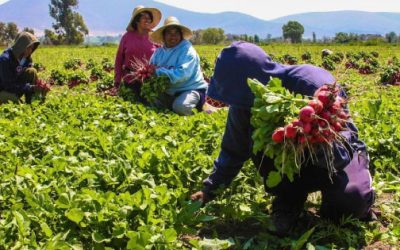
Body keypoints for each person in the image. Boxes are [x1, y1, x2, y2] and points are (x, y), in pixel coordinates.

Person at [190, 41, 375, 235]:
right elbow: (233, 150)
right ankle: (288, 198)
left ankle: (362, 193)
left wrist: (316, 141)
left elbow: (344, 147)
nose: (236, 105)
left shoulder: (312, 84)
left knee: (348, 205)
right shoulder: (244, 103)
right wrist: (209, 190)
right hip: (292, 167)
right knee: (263, 143)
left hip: (340, 156)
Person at [149, 16, 208, 116]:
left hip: (190, 89)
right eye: (169, 33)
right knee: (149, 99)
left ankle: (201, 110)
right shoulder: (158, 52)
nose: (173, 36)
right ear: (163, 36)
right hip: (169, 91)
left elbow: (183, 74)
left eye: (176, 32)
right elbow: (151, 67)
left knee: (181, 107)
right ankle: (172, 108)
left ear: (181, 35)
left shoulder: (187, 51)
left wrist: (158, 72)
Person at [113, 5, 162, 95]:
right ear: (137, 20)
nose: (147, 20)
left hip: (151, 81)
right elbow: (119, 60)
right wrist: (117, 82)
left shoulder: (155, 37)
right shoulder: (127, 37)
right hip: (130, 80)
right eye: (144, 17)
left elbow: (163, 58)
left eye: (149, 18)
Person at [0, 31, 42, 104]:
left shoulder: (26, 59)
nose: (30, 51)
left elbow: (26, 76)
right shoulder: (5, 59)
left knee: (32, 71)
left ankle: (32, 103)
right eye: (28, 47)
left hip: (16, 87)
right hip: (3, 90)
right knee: (20, 109)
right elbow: (8, 85)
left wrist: (39, 86)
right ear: (21, 45)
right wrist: (30, 88)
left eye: (32, 48)